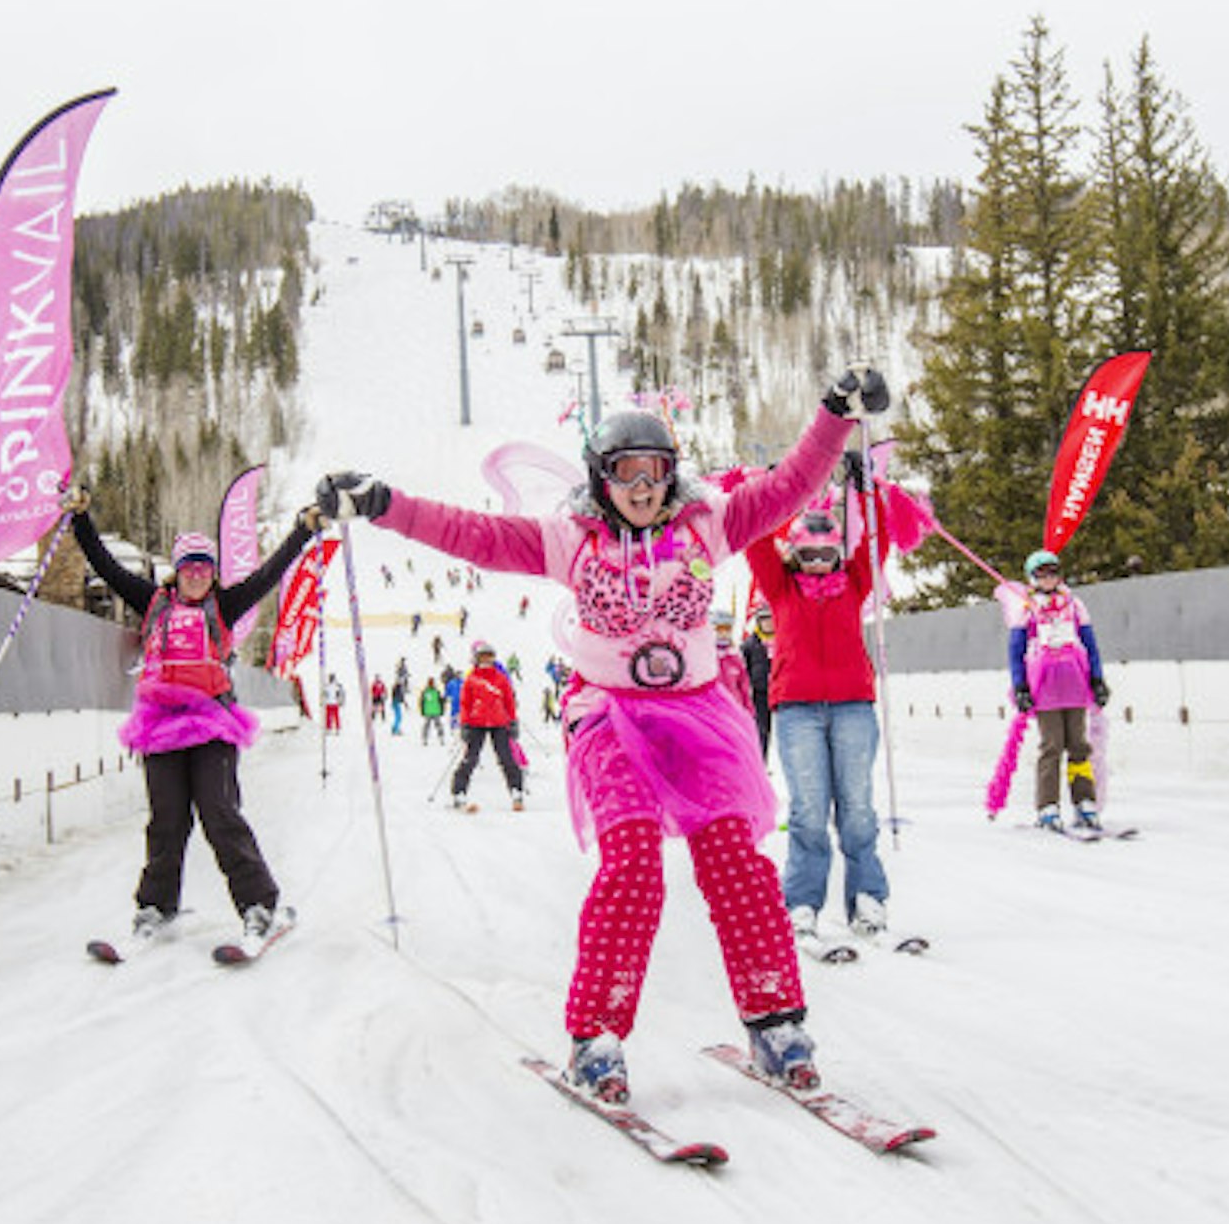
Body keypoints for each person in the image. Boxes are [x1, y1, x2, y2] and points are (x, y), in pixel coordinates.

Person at [315, 366, 888, 1102]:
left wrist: (835, 413)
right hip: (611, 718)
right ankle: (597, 1037)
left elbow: (791, 486)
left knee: (735, 864)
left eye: (656, 471)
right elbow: (473, 535)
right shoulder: (571, 541)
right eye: (626, 473)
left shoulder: (706, 525)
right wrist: (383, 504)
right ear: (600, 477)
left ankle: (776, 1022)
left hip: (699, 718)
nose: (643, 488)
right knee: (633, 865)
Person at [61, 485, 319, 951]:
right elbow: (106, 565)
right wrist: (80, 519)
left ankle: (259, 905)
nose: (197, 576)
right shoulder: (153, 602)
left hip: (211, 722)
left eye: (205, 568)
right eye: (189, 568)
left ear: (213, 574)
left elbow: (270, 573)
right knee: (166, 819)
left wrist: (302, 531)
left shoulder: (224, 605)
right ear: (176, 573)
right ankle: (156, 907)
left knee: (219, 813)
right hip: (160, 725)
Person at [745, 497, 892, 943]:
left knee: (857, 807)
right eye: (807, 555)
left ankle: (867, 896)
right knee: (808, 810)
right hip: (797, 709)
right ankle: (802, 902)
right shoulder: (780, 587)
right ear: (793, 553)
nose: (817, 564)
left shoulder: (854, 584)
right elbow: (755, 540)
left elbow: (878, 540)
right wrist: (776, 495)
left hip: (853, 705)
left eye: (826, 554)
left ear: (838, 552)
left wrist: (867, 492)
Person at [1007, 550, 1111, 832]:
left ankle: (1084, 801)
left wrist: (1097, 679)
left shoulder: (1074, 605)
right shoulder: (1026, 609)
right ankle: (1047, 806)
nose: (1049, 579)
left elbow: (1090, 645)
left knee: (1078, 745)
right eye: (1042, 574)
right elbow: (1015, 652)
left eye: (1053, 572)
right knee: (1052, 746)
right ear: (1032, 578)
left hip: (1074, 681)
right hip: (1045, 685)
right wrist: (1020, 686)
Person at [451, 640, 526, 810]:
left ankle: (516, 791)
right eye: (482, 657)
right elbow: (465, 704)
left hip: (499, 722)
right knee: (470, 758)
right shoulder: (471, 679)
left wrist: (513, 721)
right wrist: (465, 724)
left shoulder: (500, 678)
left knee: (506, 757)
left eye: (489, 657)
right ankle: (459, 792)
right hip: (476, 722)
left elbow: (509, 701)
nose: (486, 660)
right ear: (476, 659)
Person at [741, 603, 775, 757]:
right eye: (764, 620)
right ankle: (761, 759)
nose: (768, 623)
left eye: (770, 619)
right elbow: (744, 669)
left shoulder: (783, 641)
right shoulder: (750, 644)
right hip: (760, 693)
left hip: (781, 693)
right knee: (761, 729)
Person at [418, 676, 448, 745]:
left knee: (436, 725)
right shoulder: (426, 691)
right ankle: (425, 738)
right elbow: (421, 702)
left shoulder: (436, 691)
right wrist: (422, 710)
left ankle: (440, 738)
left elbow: (441, 701)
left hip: (434, 711)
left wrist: (442, 708)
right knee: (428, 726)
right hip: (429, 711)